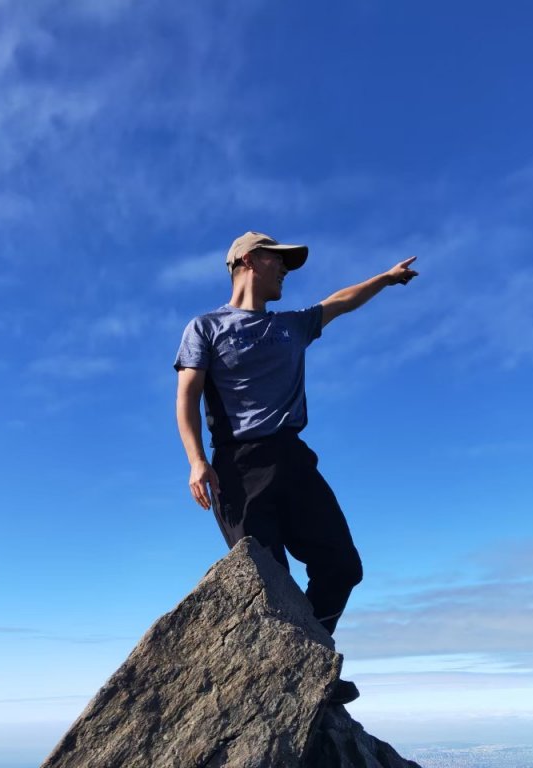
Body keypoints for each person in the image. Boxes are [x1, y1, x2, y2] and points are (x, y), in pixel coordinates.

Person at [174, 231, 418, 704]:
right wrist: (197, 461)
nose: (286, 269)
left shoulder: (292, 325)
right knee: (271, 584)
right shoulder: (205, 327)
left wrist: (386, 280)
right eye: (278, 259)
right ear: (247, 260)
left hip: (292, 458)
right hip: (237, 470)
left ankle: (312, 656)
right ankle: (297, 677)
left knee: (342, 565)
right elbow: (185, 399)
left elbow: (340, 302)